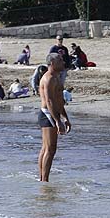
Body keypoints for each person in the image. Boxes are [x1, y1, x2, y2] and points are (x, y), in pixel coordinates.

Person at [38, 54, 71, 182]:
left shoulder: (56, 78)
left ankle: (43, 179)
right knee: (49, 149)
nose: (63, 62)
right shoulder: (48, 78)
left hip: (53, 113)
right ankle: (44, 180)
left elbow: (59, 100)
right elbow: (50, 101)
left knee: (47, 148)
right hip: (47, 114)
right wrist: (57, 121)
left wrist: (65, 117)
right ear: (52, 63)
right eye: (60, 61)